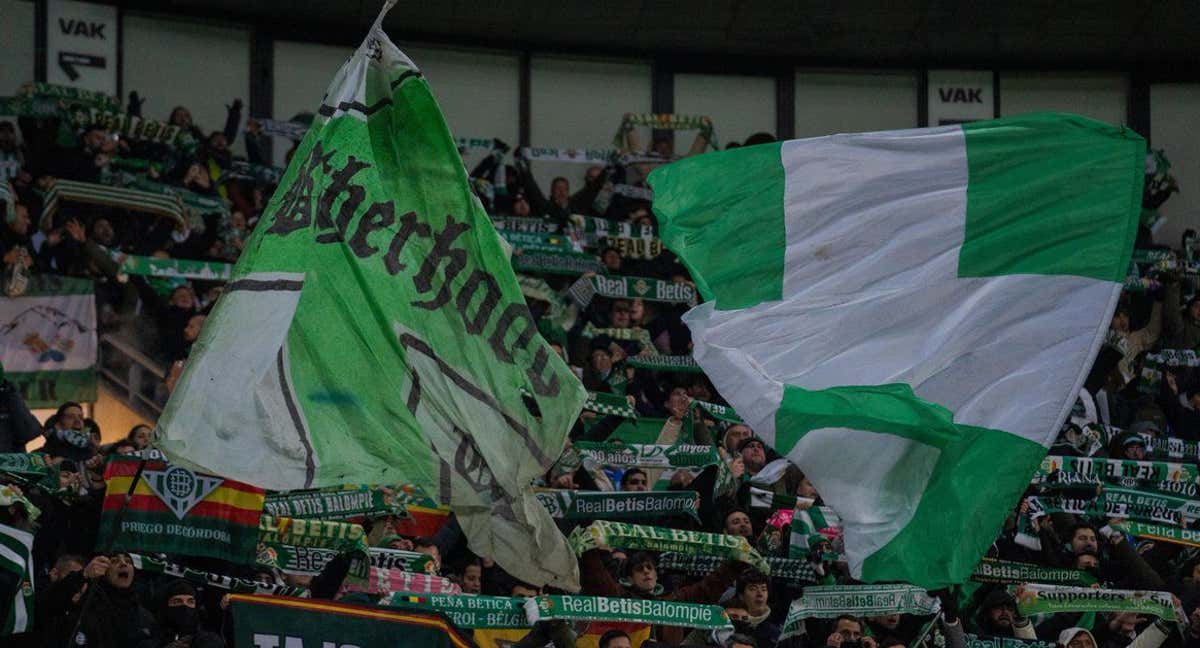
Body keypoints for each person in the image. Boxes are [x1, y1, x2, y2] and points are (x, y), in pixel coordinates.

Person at [580, 549, 743, 644]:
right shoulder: (619, 598)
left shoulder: (672, 601)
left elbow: (707, 588)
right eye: (639, 569)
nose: (646, 571)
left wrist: (738, 563)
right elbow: (598, 580)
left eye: (649, 567)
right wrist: (589, 551)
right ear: (629, 579)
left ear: (656, 575)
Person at [142, 579, 225, 647]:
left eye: (190, 602)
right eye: (177, 601)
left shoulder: (210, 641)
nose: (185, 606)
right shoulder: (148, 640)